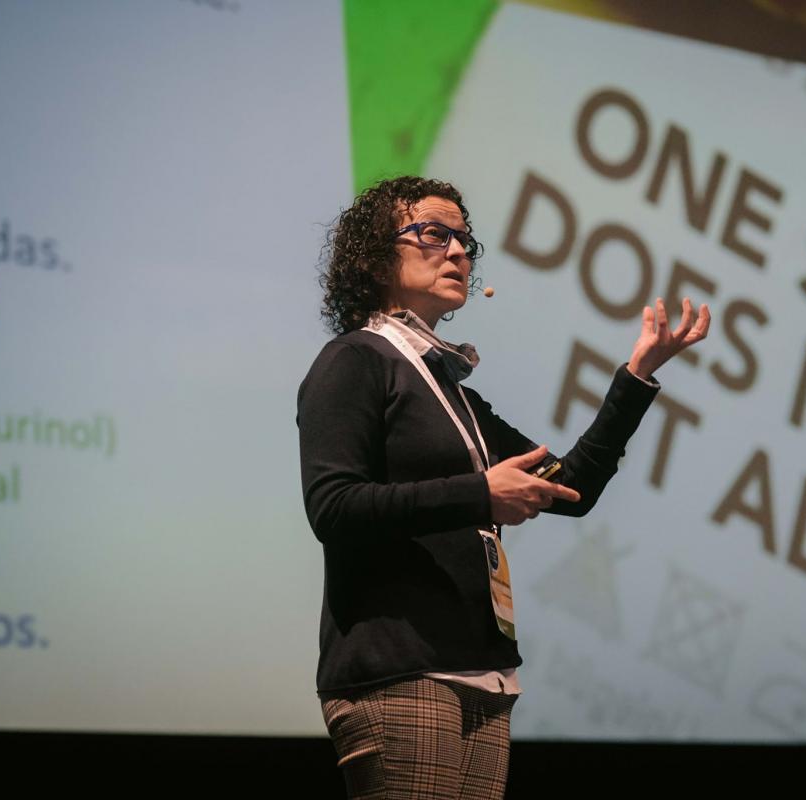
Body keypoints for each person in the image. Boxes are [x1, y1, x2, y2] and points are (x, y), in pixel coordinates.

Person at [297, 176, 709, 799]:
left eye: (465, 240)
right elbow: (334, 508)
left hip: (484, 675)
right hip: (403, 672)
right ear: (376, 255)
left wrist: (637, 376)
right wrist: (478, 495)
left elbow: (570, 487)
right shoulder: (355, 360)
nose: (459, 251)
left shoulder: (452, 391)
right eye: (434, 234)